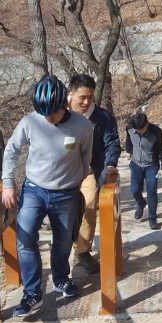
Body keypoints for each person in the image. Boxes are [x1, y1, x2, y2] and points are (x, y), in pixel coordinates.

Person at [1, 74, 94, 318]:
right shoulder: (29, 122)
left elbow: (86, 156)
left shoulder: (83, 126)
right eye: (43, 113)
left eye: (52, 113)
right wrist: (8, 184)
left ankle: (61, 279)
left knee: (63, 241)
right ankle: (32, 293)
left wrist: (78, 180)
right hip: (34, 189)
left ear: (64, 104)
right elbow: (11, 150)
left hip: (66, 192)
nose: (48, 118)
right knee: (25, 237)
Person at [68, 73, 121, 277]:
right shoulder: (59, 113)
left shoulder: (102, 117)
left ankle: (81, 253)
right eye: (82, 97)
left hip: (89, 170)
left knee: (88, 205)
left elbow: (112, 143)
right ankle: (67, 249)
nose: (86, 102)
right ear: (71, 94)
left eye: (90, 97)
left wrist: (110, 163)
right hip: (62, 172)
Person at [125, 111, 162, 230]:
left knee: (151, 191)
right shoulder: (129, 128)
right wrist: (130, 151)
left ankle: (152, 218)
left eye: (141, 129)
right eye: (137, 130)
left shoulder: (156, 132)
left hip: (151, 166)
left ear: (146, 124)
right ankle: (141, 203)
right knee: (134, 190)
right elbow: (128, 141)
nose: (138, 131)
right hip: (135, 164)